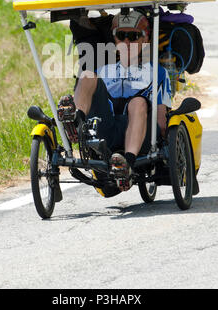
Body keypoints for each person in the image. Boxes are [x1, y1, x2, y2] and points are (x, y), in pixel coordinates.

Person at [58, 10, 172, 191]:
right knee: (87, 74)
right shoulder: (103, 69)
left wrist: (167, 142)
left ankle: (127, 163)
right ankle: (76, 122)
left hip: (143, 133)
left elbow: (161, 120)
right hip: (107, 129)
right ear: (114, 39)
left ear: (145, 39)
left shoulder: (158, 72)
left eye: (133, 36)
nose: (127, 42)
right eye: (121, 36)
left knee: (137, 102)